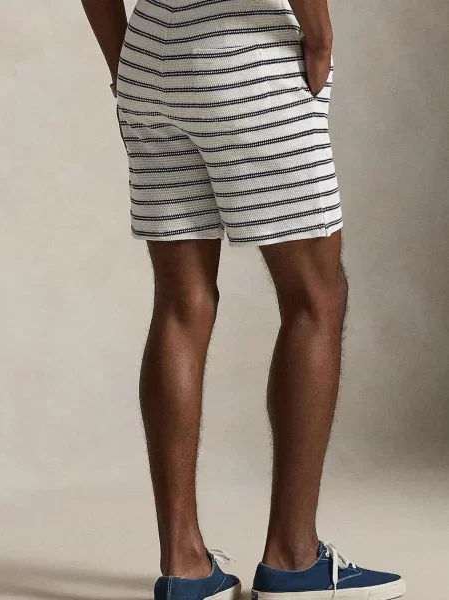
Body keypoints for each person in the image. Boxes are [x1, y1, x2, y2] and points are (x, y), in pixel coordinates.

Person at [80, 1, 405, 599]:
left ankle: (184, 568)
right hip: (248, 52)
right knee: (317, 297)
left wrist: (124, 64)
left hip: (151, 62)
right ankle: (294, 560)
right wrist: (319, 37)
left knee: (181, 303)